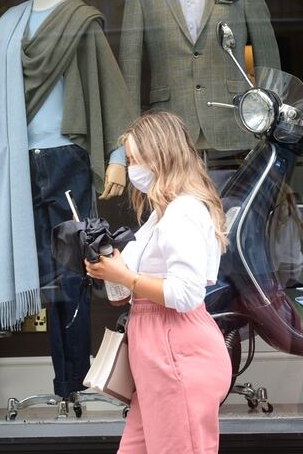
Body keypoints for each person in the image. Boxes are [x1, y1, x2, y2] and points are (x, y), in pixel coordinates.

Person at [84, 111, 232, 454]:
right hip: (158, 355)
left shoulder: (183, 212)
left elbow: (186, 293)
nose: (132, 169)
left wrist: (125, 276)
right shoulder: (161, 215)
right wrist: (107, 270)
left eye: (135, 159)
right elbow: (127, 290)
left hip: (176, 352)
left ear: (160, 156)